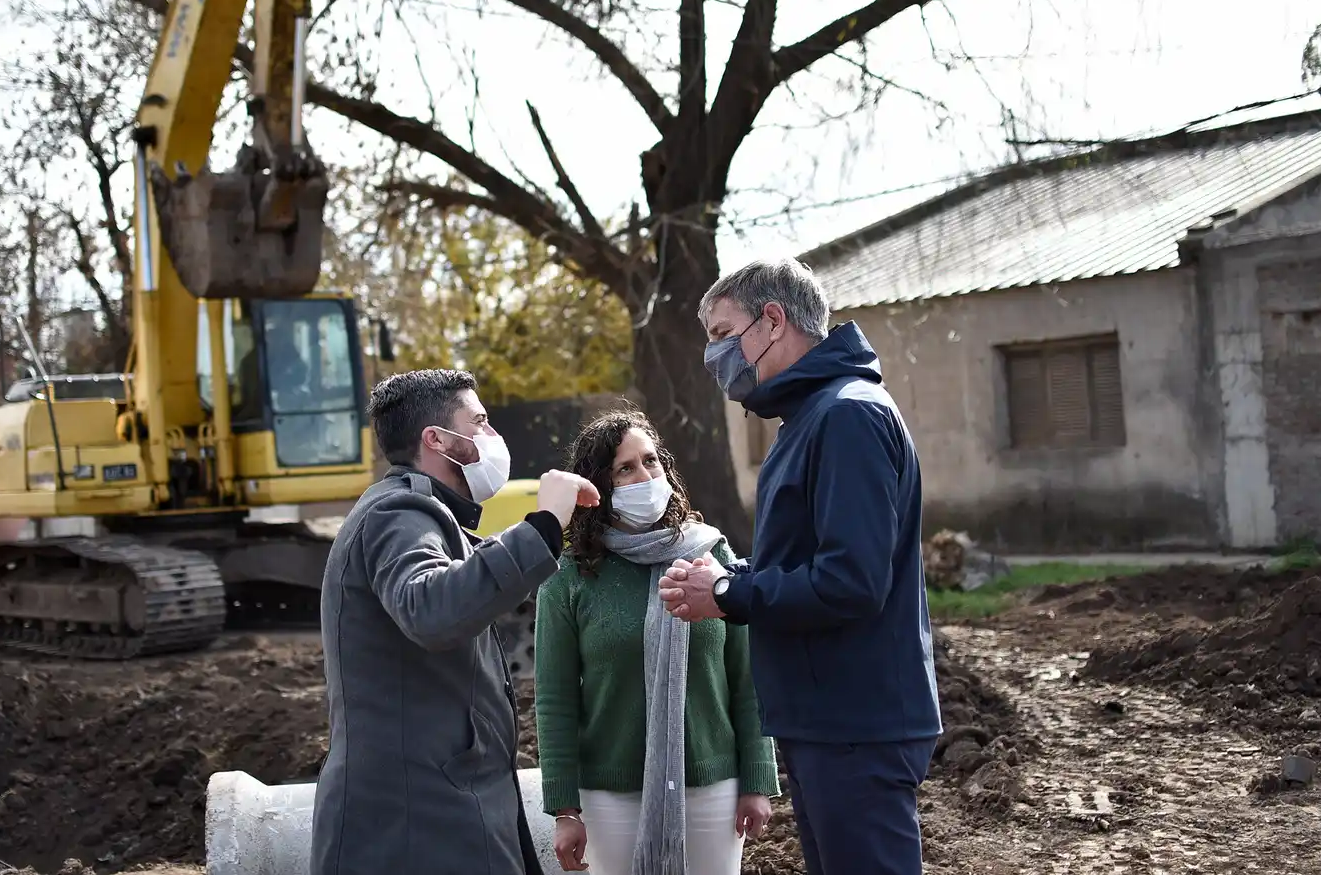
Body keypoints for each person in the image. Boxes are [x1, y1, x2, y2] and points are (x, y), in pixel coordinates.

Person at [657, 258, 942, 875]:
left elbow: (851, 581)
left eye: (721, 333)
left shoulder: (846, 416)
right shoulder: (811, 417)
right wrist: (728, 576)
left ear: (773, 320)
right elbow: (812, 560)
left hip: (855, 721)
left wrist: (729, 591)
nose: (713, 356)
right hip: (828, 718)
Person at [311, 368, 601, 875]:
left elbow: (468, 575)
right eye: (480, 422)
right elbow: (433, 609)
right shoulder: (397, 514)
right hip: (414, 823)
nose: (492, 437)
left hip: (437, 807)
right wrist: (543, 525)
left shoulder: (425, 516)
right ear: (437, 440)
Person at [535, 410, 778, 875]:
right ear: (597, 487)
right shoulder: (569, 577)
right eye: (625, 468)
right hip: (611, 795)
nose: (644, 475)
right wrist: (565, 809)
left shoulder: (711, 556)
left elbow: (748, 676)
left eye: (651, 462)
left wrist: (758, 779)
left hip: (713, 786)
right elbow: (554, 700)